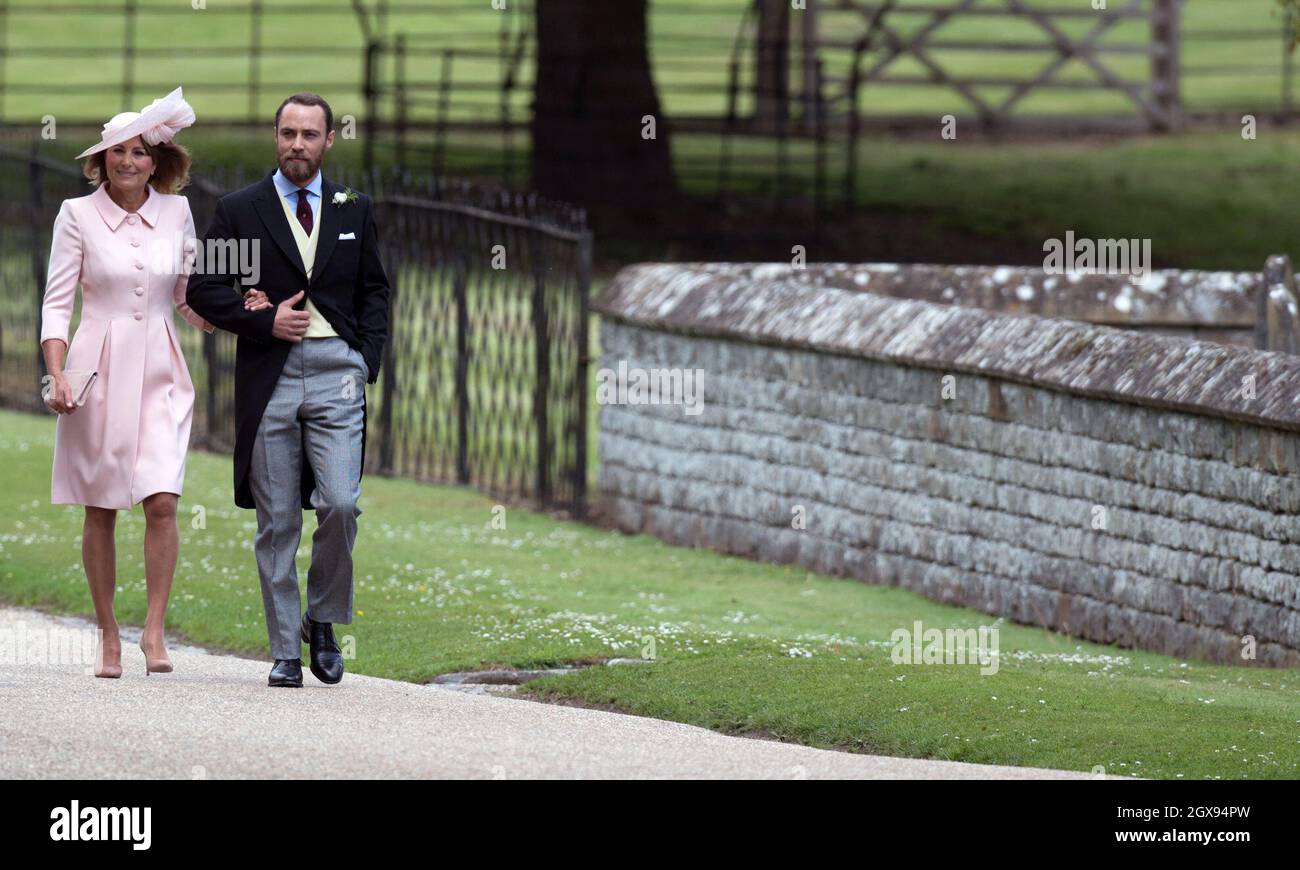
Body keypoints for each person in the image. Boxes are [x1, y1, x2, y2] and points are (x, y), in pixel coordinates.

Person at [40, 86, 271, 678]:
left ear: (157, 161)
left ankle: (154, 630)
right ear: (101, 159)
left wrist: (242, 309)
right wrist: (57, 372)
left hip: (163, 367)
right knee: (103, 504)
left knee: (163, 499)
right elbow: (56, 302)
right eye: (118, 152)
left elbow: (188, 295)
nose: (128, 162)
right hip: (98, 365)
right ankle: (109, 634)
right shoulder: (76, 215)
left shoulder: (177, 212)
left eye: (140, 152)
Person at [185, 92, 392, 688]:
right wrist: (263, 319)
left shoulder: (354, 209)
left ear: (329, 141)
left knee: (341, 503)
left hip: (338, 371)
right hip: (270, 373)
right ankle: (283, 650)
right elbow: (205, 288)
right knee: (277, 521)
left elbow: (375, 291)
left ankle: (323, 618)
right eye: (287, 133)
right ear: (275, 138)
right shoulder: (242, 210)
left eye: (309, 134)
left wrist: (364, 360)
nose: (297, 144)